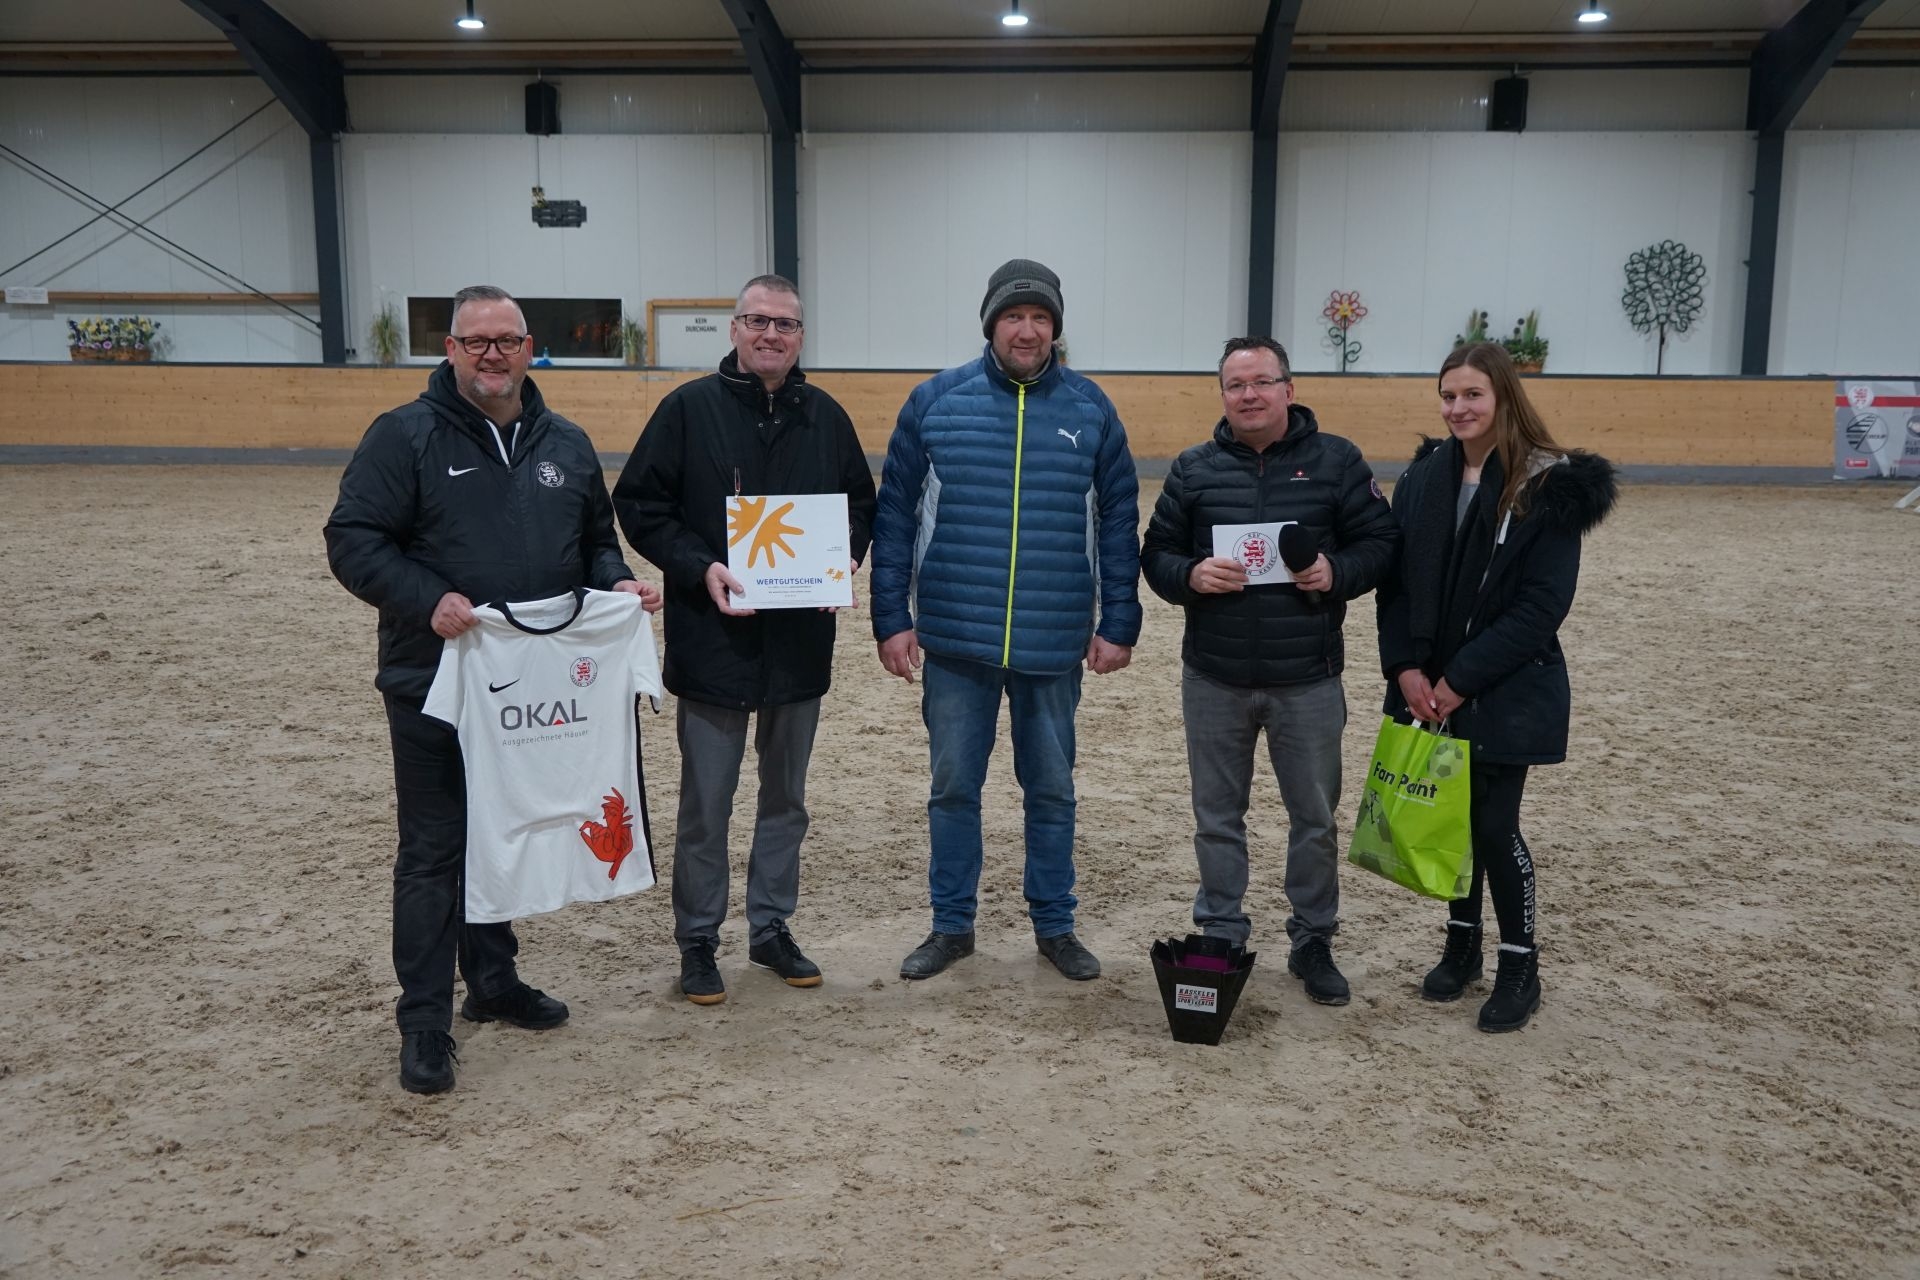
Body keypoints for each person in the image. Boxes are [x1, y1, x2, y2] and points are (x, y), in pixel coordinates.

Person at [325, 284, 661, 1095]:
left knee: (504, 831)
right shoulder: (403, 436)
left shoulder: (567, 443)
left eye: (506, 340)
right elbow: (353, 538)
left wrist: (616, 583)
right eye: (475, 341)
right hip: (434, 678)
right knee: (435, 848)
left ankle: (493, 982)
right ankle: (423, 1020)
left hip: (535, 691)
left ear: (528, 348)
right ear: (450, 350)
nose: (492, 354)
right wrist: (425, 598)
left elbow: (595, 541)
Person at [871, 258, 1141, 983]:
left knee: (1051, 791)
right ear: (991, 324)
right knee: (953, 789)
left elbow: (1119, 521)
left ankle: (1055, 925)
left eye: (1041, 318)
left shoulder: (1091, 409)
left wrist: (1119, 619)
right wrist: (892, 616)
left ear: (1056, 328)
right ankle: (951, 925)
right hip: (955, 638)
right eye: (1014, 316)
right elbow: (895, 516)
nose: (1028, 330)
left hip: (1053, 641)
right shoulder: (935, 401)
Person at [612, 274, 876, 1007]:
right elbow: (640, 503)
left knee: (786, 800)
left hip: (799, 647)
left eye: (785, 325)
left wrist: (842, 560)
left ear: (800, 337)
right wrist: (699, 567)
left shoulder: (827, 418)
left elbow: (861, 504)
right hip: (713, 643)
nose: (771, 335)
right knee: (707, 804)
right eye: (758, 321)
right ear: (733, 329)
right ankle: (698, 940)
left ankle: (770, 927)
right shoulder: (686, 410)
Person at [1142, 336, 1399, 1006]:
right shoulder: (1193, 469)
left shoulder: (1337, 461)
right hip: (1213, 676)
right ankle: (1221, 931)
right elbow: (1157, 553)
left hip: (1307, 678)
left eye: (1261, 381)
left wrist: (1337, 571)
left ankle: (1313, 938)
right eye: (1236, 385)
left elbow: (1382, 543)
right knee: (1216, 817)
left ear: (1289, 388)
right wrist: (1190, 575)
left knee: (1314, 818)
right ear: (1223, 394)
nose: (1249, 395)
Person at [1376, 341, 1616, 1033]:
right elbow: (1395, 584)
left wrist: (1461, 678)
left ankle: (1519, 965)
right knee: (1452, 820)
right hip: (1427, 683)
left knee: (1492, 826)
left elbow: (1541, 606)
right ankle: (1462, 947)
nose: (1458, 408)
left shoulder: (1546, 485)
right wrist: (1407, 667)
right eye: (1448, 396)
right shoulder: (1423, 478)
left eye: (1472, 395)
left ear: (1504, 396)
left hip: (1503, 687)